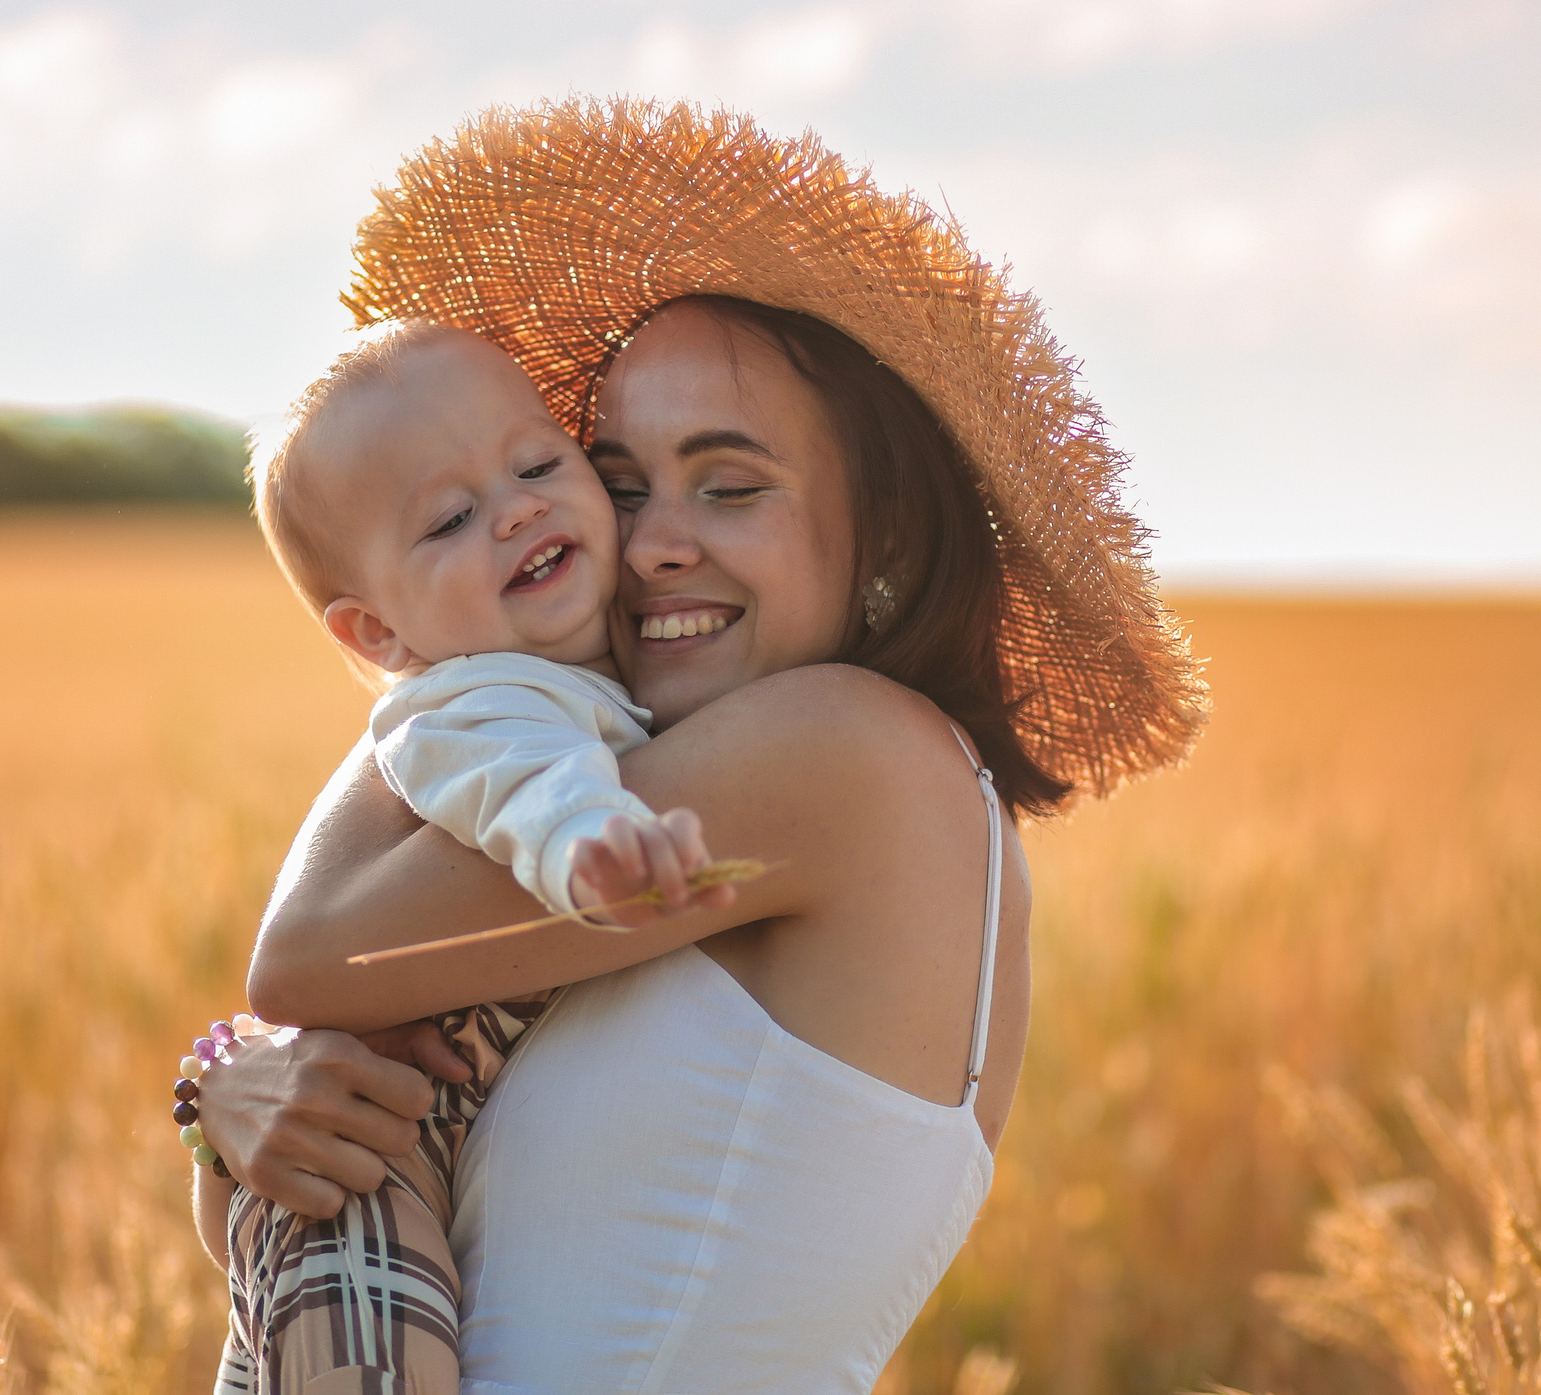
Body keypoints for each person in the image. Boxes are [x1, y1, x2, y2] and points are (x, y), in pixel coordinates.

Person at [184, 98, 1207, 1393]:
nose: (653, 542)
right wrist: (229, 1098)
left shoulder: (846, 753)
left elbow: (306, 955)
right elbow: (343, 1184)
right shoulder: (638, 781)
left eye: (729, 486)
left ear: (888, 531)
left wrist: (437, 664)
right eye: (620, 483)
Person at [196, 316, 727, 1392]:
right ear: (376, 635)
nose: (517, 509)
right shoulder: (469, 702)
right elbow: (527, 782)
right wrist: (597, 844)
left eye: (538, 465)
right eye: (449, 519)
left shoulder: (606, 678)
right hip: (366, 1162)